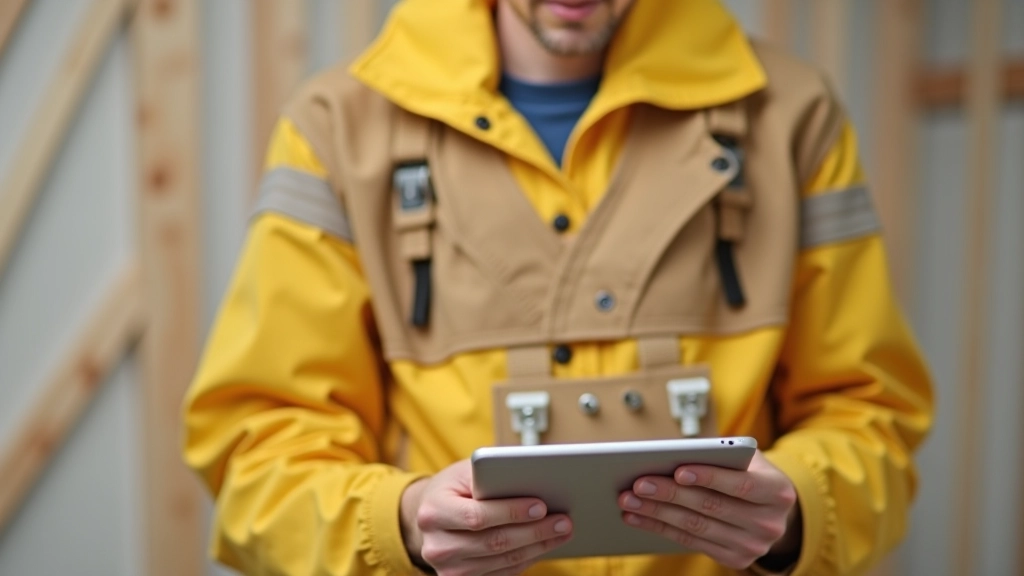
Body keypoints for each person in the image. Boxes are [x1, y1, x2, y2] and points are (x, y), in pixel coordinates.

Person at [182, 0, 935, 574]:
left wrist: (799, 507)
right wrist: (398, 523)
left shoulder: (792, 117)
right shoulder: (334, 131)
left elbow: (874, 418)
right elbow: (258, 448)